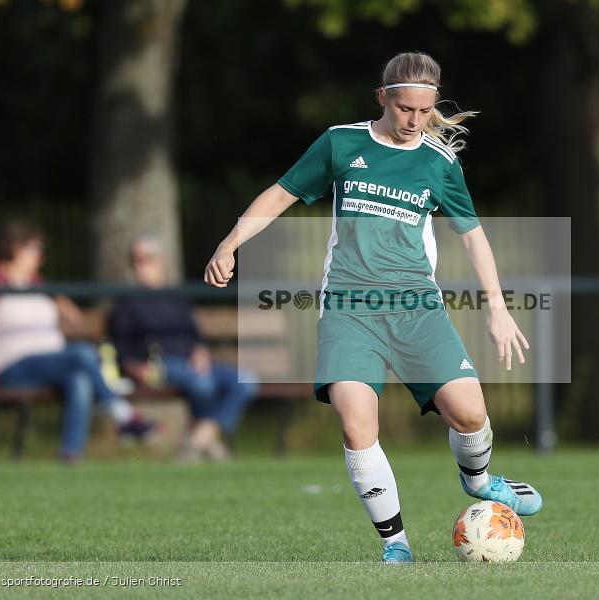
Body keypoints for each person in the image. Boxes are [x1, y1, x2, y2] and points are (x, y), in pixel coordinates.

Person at [204, 52, 541, 563]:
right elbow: (279, 195)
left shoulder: (439, 161)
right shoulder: (343, 142)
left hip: (417, 306)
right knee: (357, 423)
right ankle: (396, 545)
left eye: (425, 112)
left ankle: (478, 480)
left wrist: (497, 307)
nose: (414, 122)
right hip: (348, 306)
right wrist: (230, 244)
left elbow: (472, 236)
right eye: (405, 109)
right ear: (383, 98)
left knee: (470, 413)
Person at [0, 222, 156, 462]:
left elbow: (75, 316)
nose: (41, 257)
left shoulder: (38, 283)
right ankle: (122, 412)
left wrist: (60, 302)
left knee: (79, 380)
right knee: (82, 353)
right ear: (16, 249)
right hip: (12, 368)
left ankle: (70, 455)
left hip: (50, 364)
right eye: (36, 250)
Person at [108, 235, 257, 462]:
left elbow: (195, 336)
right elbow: (121, 349)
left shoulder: (176, 297)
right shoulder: (127, 303)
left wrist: (200, 352)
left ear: (160, 262)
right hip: (158, 365)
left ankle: (200, 438)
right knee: (202, 383)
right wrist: (134, 368)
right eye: (136, 261)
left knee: (245, 381)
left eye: (147, 259)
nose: (141, 266)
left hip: (190, 362)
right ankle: (206, 440)